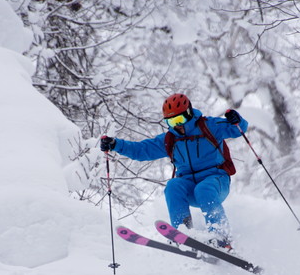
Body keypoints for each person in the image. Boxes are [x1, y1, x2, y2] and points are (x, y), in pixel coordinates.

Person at [101, 93, 248, 250]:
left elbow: (238, 129)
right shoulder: (170, 139)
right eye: (171, 121)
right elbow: (141, 150)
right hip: (190, 185)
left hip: (216, 181)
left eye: (180, 119)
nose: (177, 125)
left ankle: (221, 237)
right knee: (173, 186)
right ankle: (184, 234)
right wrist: (116, 144)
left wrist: (236, 119)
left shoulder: (209, 126)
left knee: (204, 188)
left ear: (189, 113)